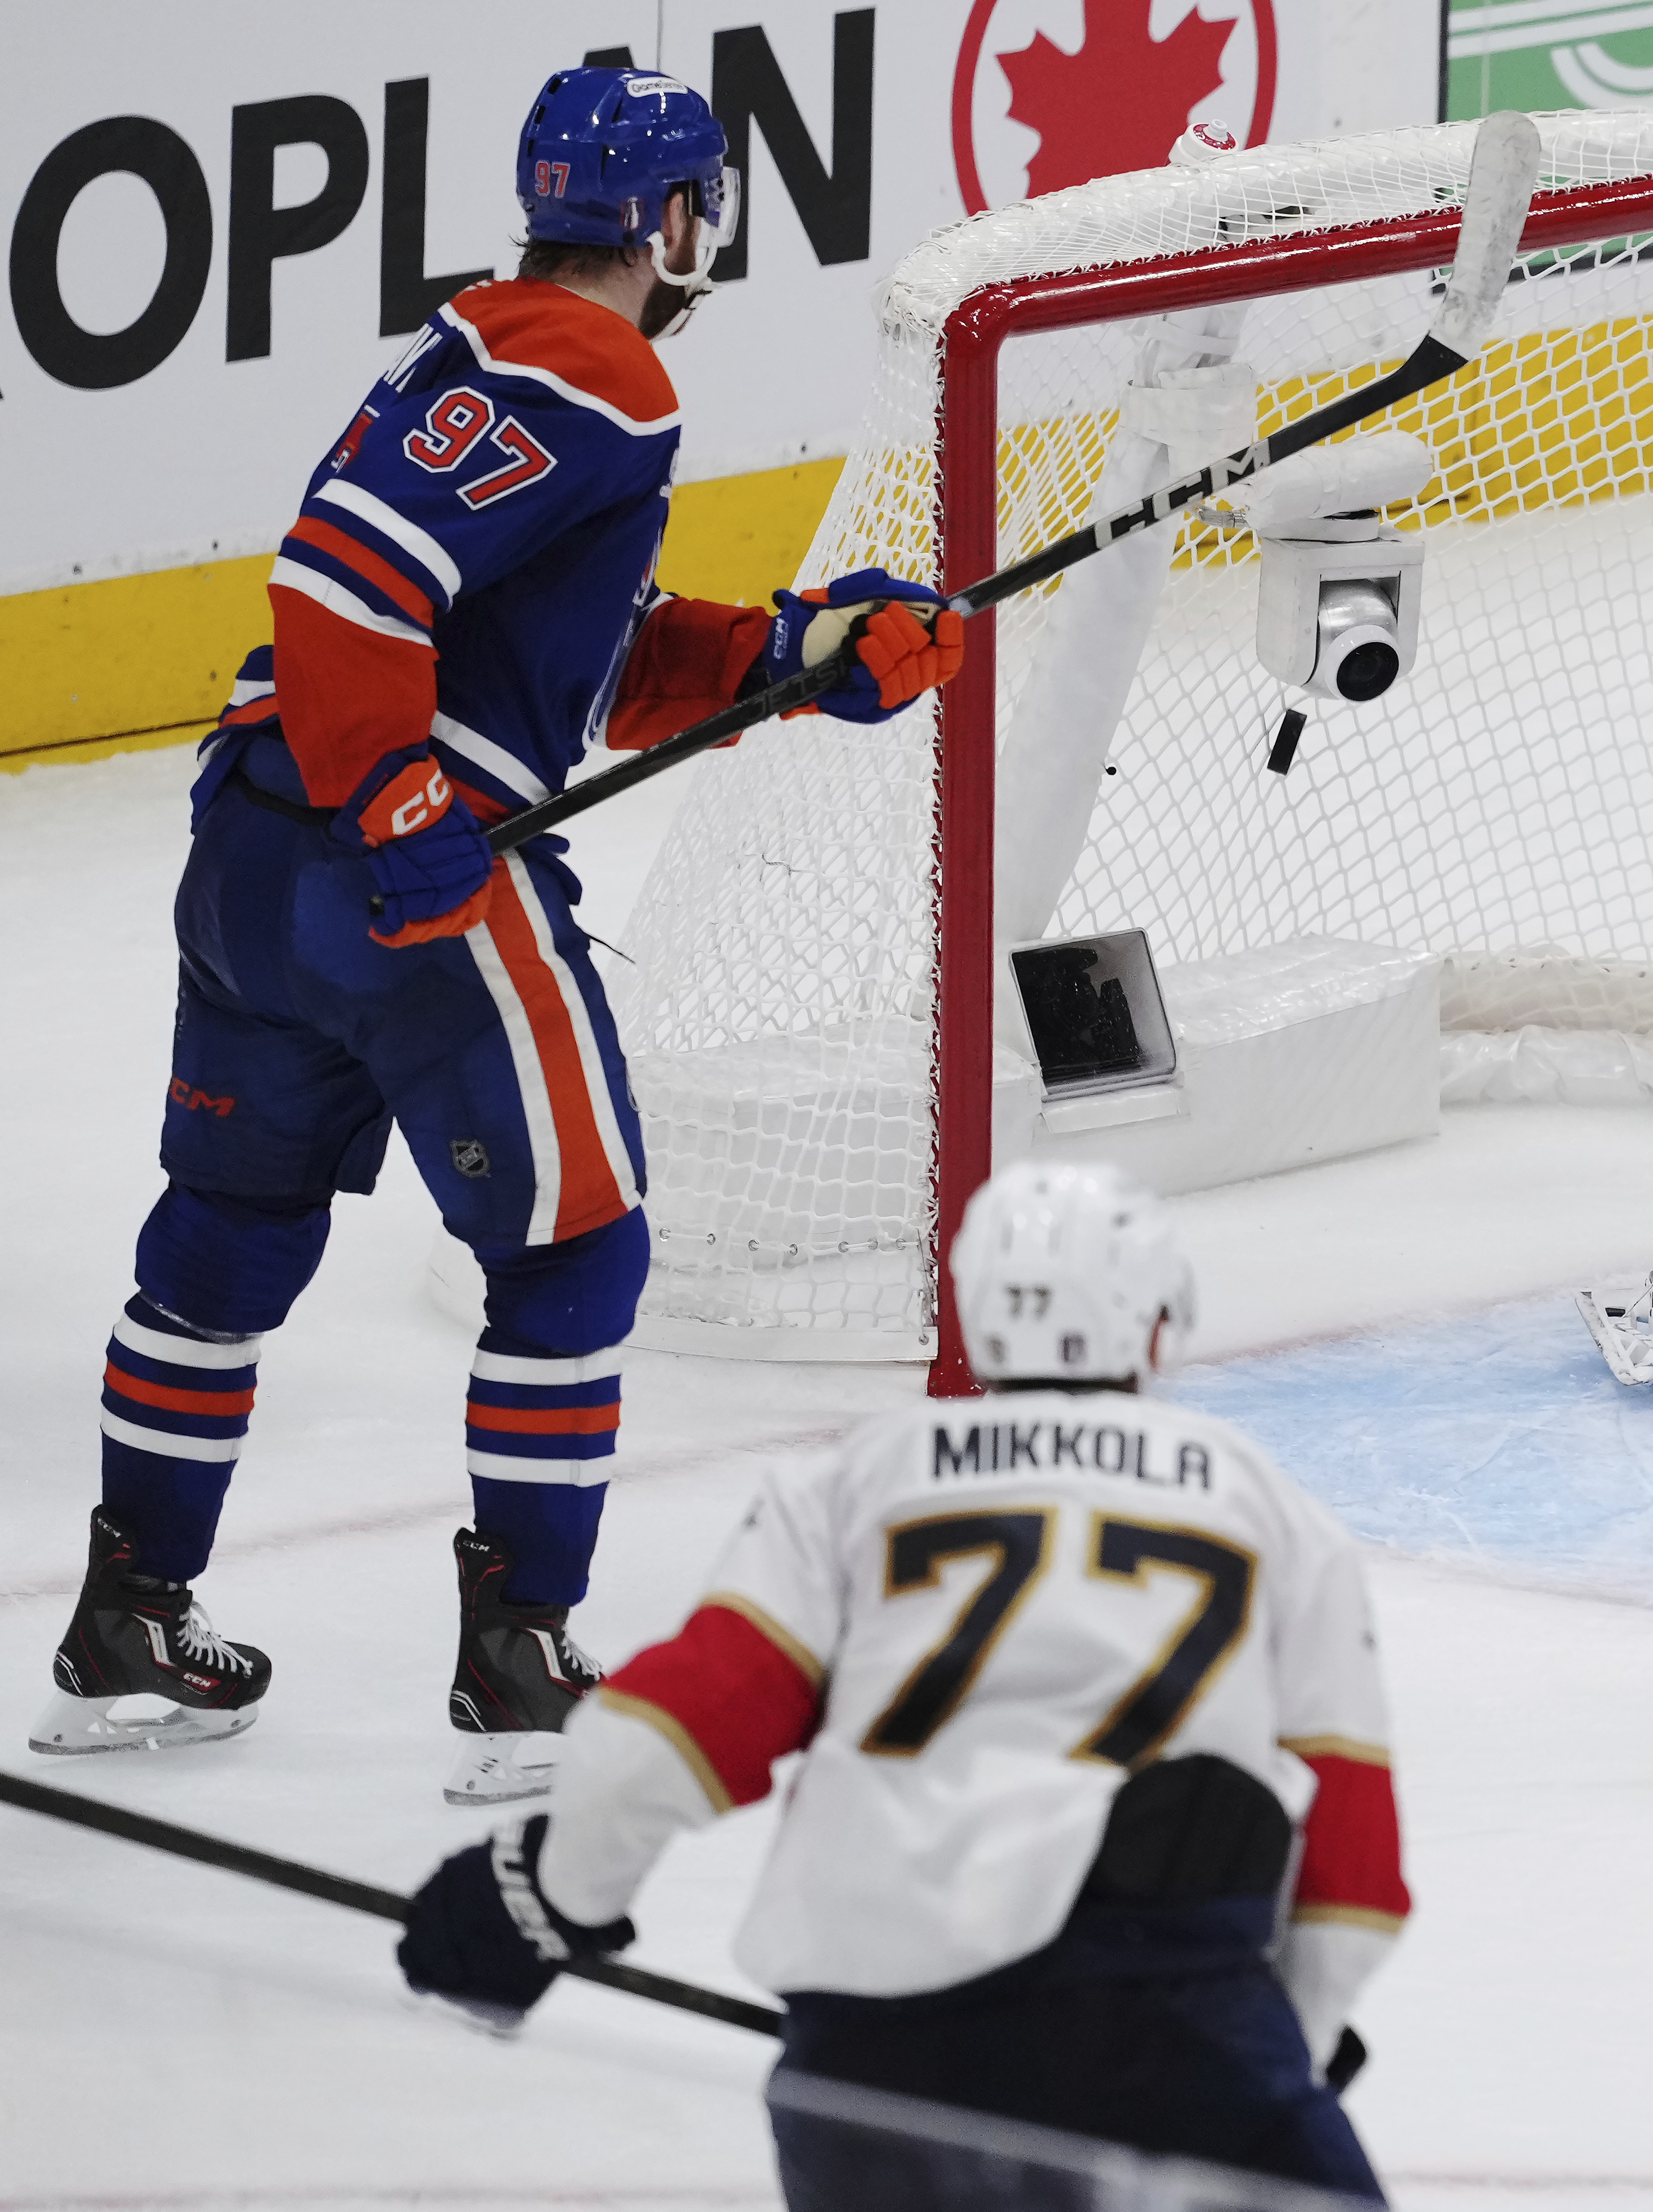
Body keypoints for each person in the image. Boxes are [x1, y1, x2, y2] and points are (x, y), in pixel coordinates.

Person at [28, 66, 965, 1800]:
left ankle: (128, 1611)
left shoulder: (478, 337)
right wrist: (397, 810)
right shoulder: (602, 364)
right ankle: (521, 1658)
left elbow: (557, 655)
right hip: (389, 865)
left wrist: (796, 654)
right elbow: (344, 577)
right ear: (675, 219)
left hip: (252, 842)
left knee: (225, 1238)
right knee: (577, 1250)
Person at [395, 1161, 1407, 2207]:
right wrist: (1290, 2028)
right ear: (1157, 1324)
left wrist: (547, 1896)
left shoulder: (859, 1479)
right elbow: (1356, 1855)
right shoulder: (1269, 1509)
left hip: (874, 2051)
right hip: (1167, 2024)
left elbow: (673, 1731)